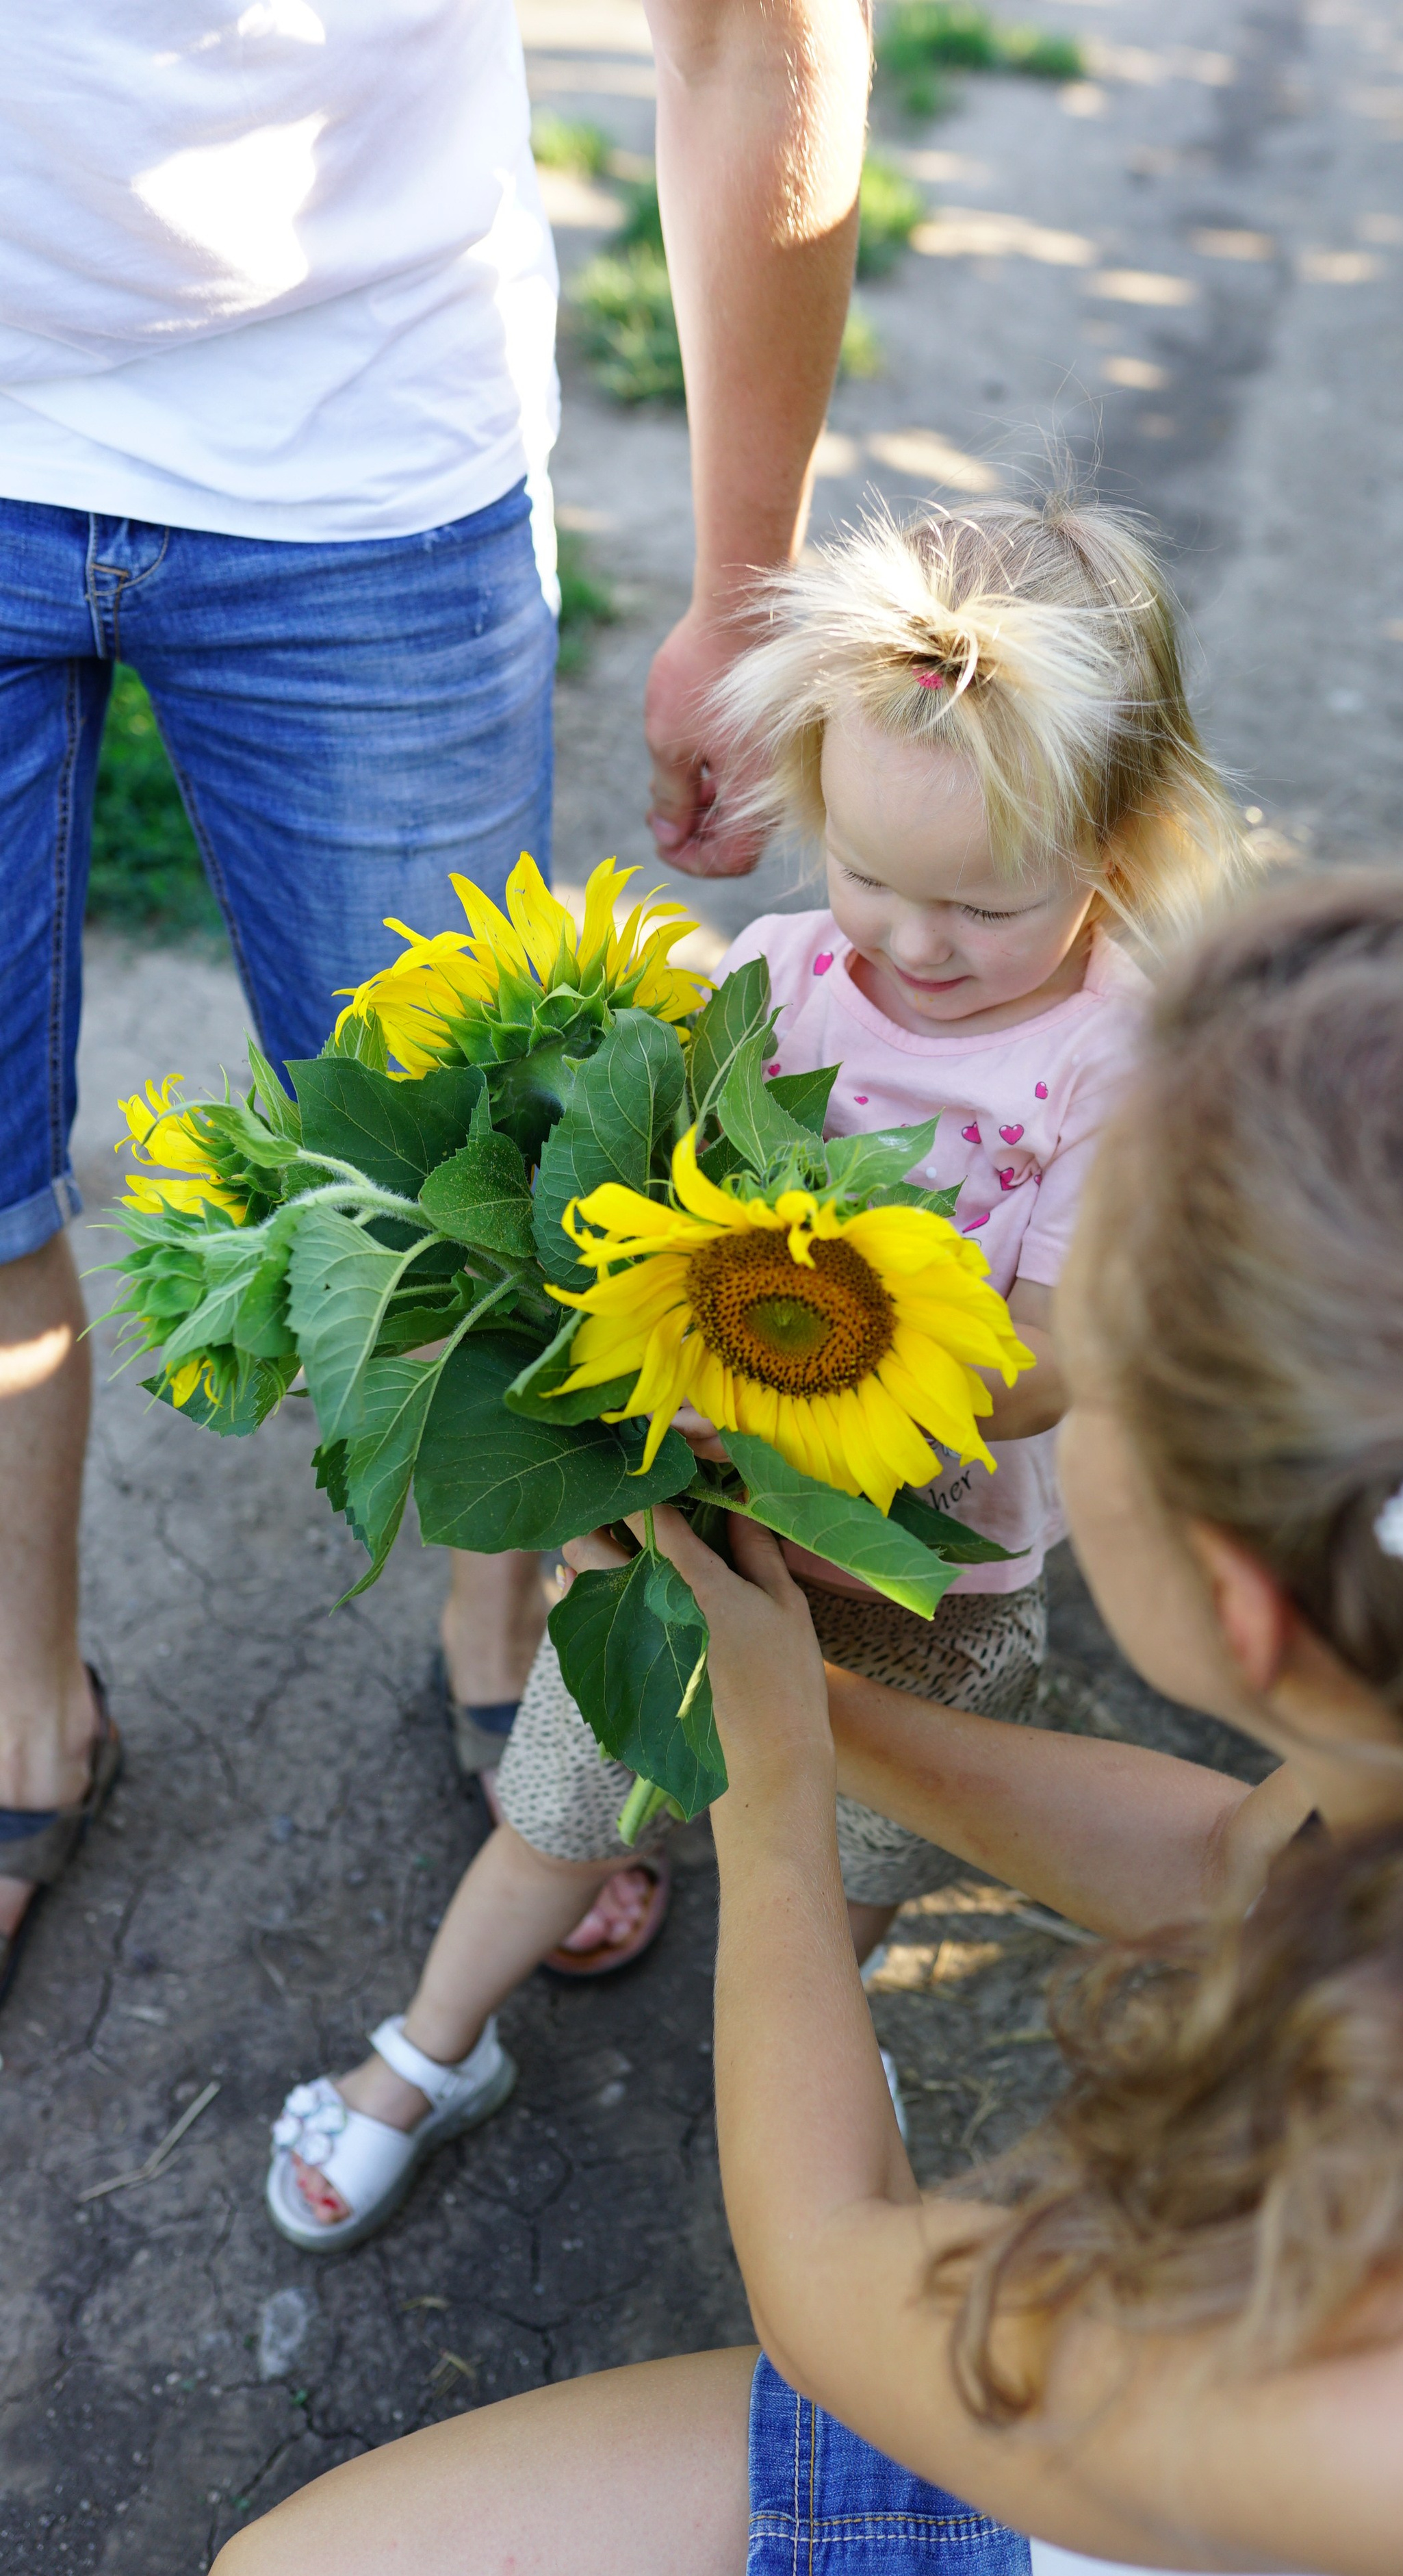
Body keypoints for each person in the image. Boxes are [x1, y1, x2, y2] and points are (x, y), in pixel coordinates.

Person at [199, 871, 1403, 2576]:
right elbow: (1244, 1865)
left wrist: (774, 1810)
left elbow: (836, 2280)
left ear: (1239, 1611)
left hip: (1099, 2518)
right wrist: (823, 1702)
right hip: (1206, 2481)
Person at [0, 0, 873, 1999]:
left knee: (484, 1189)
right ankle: (20, 1716)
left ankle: (500, 1647)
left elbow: (752, 34)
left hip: (361, 453)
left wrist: (748, 585)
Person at [261, 491, 1242, 2248]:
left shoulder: (1121, 1062)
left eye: (984, 903)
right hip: (694, 1541)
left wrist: (846, 1323)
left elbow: (1044, 1371)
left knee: (845, 1870)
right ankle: (432, 2044)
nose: (914, 943)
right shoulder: (776, 985)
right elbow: (627, 1205)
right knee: (559, 1806)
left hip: (925, 1573)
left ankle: (815, 2104)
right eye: (866, 871)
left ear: (1119, 837)